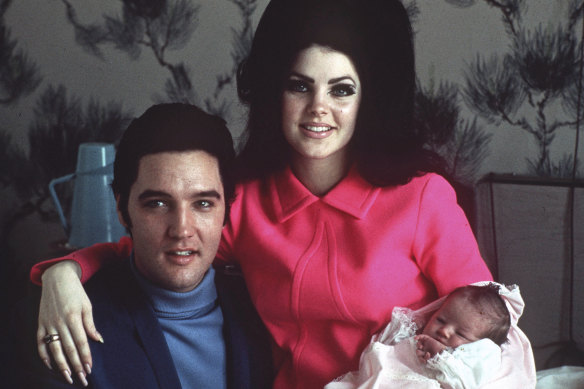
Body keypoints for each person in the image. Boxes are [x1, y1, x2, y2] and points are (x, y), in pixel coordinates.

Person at [29, 0, 536, 388]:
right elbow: (151, 245)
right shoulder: (246, 202)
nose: (319, 108)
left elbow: (491, 333)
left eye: (341, 89)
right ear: (276, 91)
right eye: (300, 86)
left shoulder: (424, 200)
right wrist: (63, 274)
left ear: (368, 99)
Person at [25, 103, 273, 388]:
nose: (181, 229)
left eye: (202, 204)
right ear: (122, 208)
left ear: (227, 210)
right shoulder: (65, 320)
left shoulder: (262, 308)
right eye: (157, 203)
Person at [325, 282, 526, 389]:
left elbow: (464, 383)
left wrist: (441, 356)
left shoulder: (482, 356)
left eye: (461, 333)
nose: (444, 331)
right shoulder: (414, 333)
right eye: (440, 320)